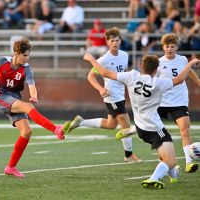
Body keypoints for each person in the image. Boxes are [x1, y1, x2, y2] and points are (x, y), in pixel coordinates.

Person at [83, 52, 199, 189]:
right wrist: (190, 63)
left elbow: (105, 72)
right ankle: (153, 179)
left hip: (140, 126)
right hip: (154, 128)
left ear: (141, 66)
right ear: (156, 70)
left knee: (166, 156)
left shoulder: (131, 76)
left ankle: (174, 177)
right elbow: (179, 79)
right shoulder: (158, 83)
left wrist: (91, 59)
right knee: (171, 160)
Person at [0, 37, 69, 178]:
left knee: (26, 132)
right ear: (16, 53)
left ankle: (10, 167)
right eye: (25, 55)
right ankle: (55, 129)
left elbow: (32, 86)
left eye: (28, 55)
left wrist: (34, 96)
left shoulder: (26, 69)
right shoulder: (2, 61)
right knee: (28, 107)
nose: (27, 58)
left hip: (13, 98)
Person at [67, 27, 141, 163]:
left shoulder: (125, 55)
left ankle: (81, 122)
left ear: (120, 41)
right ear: (107, 42)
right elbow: (91, 76)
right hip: (111, 95)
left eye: (117, 40)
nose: (114, 43)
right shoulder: (103, 60)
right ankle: (128, 155)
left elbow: (123, 73)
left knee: (111, 124)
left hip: (120, 94)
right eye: (112, 40)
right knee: (125, 123)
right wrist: (100, 89)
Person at [156, 33, 200, 173]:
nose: (169, 49)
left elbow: (189, 71)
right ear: (163, 47)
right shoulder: (158, 63)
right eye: (167, 46)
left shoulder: (182, 60)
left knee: (185, 130)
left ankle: (188, 162)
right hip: (162, 102)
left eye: (172, 46)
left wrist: (199, 82)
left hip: (179, 101)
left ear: (177, 47)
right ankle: (164, 162)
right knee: (157, 133)